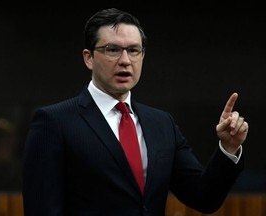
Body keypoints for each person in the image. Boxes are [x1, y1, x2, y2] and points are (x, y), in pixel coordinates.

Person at [22, 8, 249, 216]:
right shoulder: (54, 122)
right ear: (88, 58)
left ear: (142, 56)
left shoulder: (161, 123)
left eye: (133, 50)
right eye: (112, 50)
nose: (125, 61)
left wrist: (228, 149)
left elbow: (203, 198)